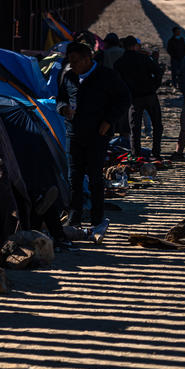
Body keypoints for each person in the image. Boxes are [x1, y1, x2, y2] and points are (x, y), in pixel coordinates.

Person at [57, 42, 130, 229]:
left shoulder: (107, 76)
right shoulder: (68, 75)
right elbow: (61, 98)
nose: (71, 65)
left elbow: (124, 99)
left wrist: (109, 121)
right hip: (73, 133)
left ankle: (97, 218)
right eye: (69, 61)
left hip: (98, 134)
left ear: (87, 59)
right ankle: (75, 217)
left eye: (75, 61)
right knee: (74, 177)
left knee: (95, 177)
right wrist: (63, 108)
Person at [114, 36, 164, 160]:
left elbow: (118, 83)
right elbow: (158, 72)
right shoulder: (144, 58)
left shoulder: (119, 63)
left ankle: (136, 154)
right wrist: (154, 86)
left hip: (134, 99)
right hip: (149, 95)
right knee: (157, 125)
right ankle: (156, 152)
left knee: (134, 128)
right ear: (134, 46)